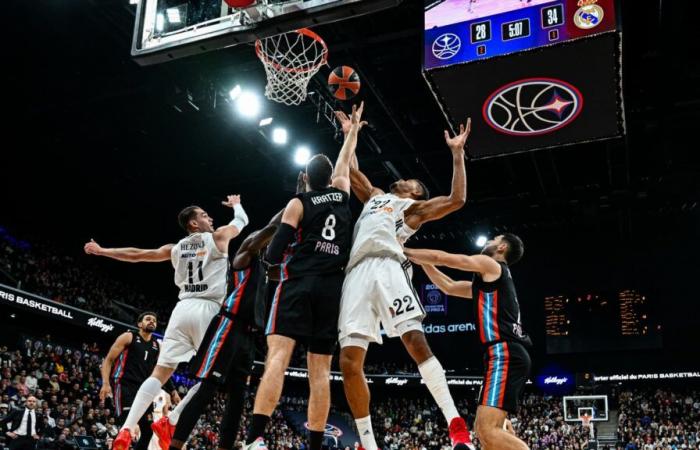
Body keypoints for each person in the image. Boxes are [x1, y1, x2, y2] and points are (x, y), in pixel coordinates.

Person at [335, 113, 473, 450]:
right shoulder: (376, 196)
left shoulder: (412, 208)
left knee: (414, 340)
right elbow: (350, 171)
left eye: (410, 179)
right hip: (355, 273)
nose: (404, 179)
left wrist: (456, 153)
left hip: (388, 266)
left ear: (415, 192)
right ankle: (368, 444)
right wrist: (349, 134)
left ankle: (456, 427)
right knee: (348, 362)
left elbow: (456, 200)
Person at [244, 103, 366, 450]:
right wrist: (352, 130)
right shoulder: (341, 194)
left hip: (298, 284)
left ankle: (254, 439)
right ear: (328, 179)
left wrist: (272, 267)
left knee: (277, 360)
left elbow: (273, 250)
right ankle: (314, 445)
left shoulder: (299, 202)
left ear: (305, 178)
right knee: (320, 374)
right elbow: (344, 162)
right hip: (331, 289)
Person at [84, 195, 249, 450]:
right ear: (193, 224)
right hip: (210, 310)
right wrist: (236, 204)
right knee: (213, 377)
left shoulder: (176, 248)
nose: (211, 218)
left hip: (181, 310)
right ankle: (171, 420)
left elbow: (138, 255)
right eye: (205, 215)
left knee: (160, 373)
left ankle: (126, 428)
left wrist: (103, 251)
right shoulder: (218, 238)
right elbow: (242, 220)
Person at [151, 209, 286, 450]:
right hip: (228, 326)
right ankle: (175, 444)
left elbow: (286, 271)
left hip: (248, 336)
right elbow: (268, 229)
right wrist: (295, 204)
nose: (268, 242)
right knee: (207, 389)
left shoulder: (265, 268)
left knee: (238, 398)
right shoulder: (244, 256)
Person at [404, 234, 532, 450]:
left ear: (501, 247)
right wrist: (422, 262)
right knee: (486, 432)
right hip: (505, 353)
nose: (489, 241)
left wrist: (403, 250)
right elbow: (448, 286)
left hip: (505, 352)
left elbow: (443, 257)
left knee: (487, 431)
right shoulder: (490, 282)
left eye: (494, 239)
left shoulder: (491, 265)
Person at [99, 312, 176, 450]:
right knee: (127, 428)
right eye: (148, 319)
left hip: (144, 391)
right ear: (140, 324)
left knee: (147, 432)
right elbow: (108, 360)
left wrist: (173, 390)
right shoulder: (129, 336)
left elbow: (160, 372)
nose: (152, 321)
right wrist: (105, 383)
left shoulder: (157, 346)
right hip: (124, 385)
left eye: (154, 320)